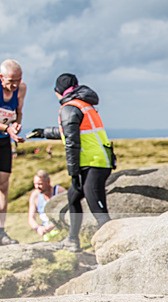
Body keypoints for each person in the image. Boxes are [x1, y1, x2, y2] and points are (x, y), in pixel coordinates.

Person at [27, 73, 114, 252]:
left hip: (92, 164)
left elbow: (72, 143)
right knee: (73, 197)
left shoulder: (69, 108)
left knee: (97, 207)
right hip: (97, 161)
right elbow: (70, 131)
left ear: (57, 91)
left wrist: (73, 172)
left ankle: (112, 246)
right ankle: (72, 240)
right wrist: (44, 132)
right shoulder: (83, 104)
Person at [0, 59, 27, 245]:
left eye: (18, 79)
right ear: (1, 77)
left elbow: (19, 112)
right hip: (4, 134)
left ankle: (1, 232)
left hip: (3, 142)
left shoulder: (21, 88)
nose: (14, 84)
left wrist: (16, 124)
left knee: (3, 186)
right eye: (11, 81)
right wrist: (6, 128)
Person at [28, 170, 64, 238]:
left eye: (40, 184)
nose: (37, 187)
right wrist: (38, 228)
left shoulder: (59, 191)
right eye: (35, 184)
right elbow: (31, 218)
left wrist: (53, 226)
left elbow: (68, 213)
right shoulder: (35, 196)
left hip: (61, 228)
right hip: (47, 232)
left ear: (48, 182)